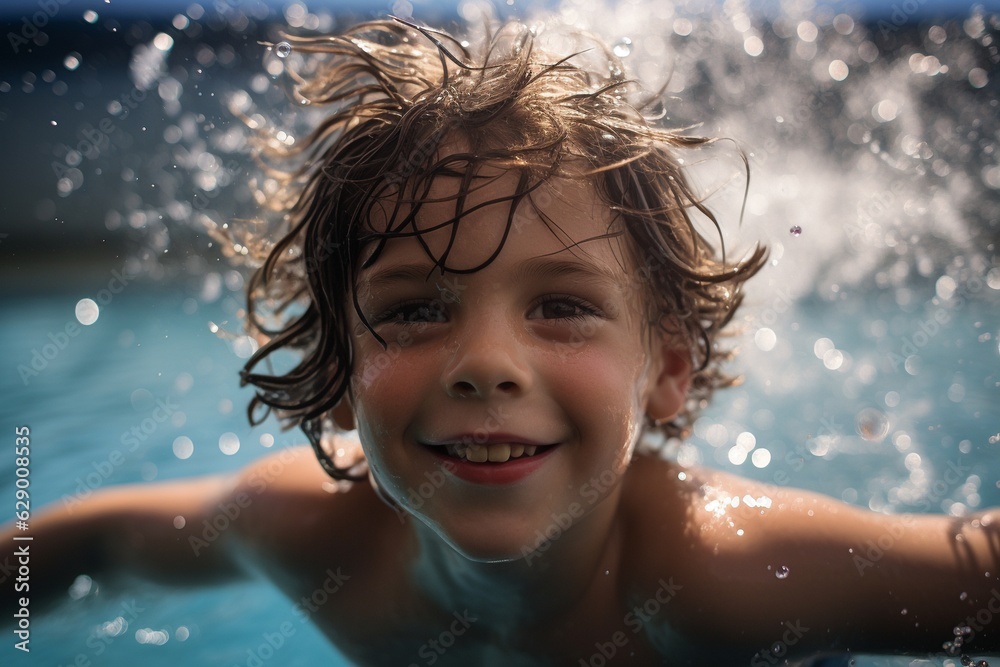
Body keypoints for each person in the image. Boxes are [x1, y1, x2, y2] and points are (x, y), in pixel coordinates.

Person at [4, 16, 998, 666]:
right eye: (416, 310)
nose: (486, 364)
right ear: (339, 381)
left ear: (668, 371)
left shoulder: (727, 575)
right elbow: (95, 545)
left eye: (560, 305)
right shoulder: (309, 535)